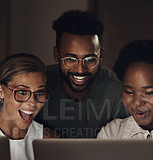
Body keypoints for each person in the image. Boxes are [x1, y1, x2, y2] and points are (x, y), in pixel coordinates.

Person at [35, 10, 127, 138]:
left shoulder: (116, 93)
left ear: (101, 56)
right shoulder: (38, 83)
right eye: (70, 59)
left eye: (90, 60)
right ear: (56, 54)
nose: (80, 70)